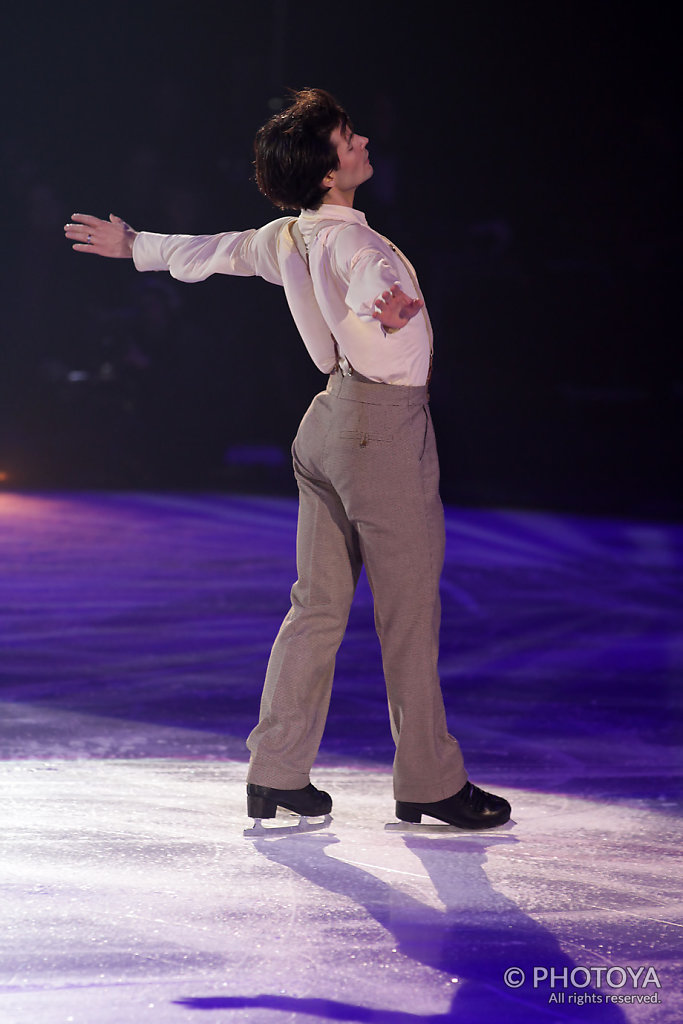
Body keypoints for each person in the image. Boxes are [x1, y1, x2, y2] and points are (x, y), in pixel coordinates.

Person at [64, 88, 511, 830]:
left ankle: (275, 771)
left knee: (316, 606)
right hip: (381, 430)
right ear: (327, 172)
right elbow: (374, 285)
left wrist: (136, 245)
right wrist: (384, 306)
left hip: (327, 425)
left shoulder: (289, 237)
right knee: (407, 614)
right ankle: (428, 781)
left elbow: (213, 251)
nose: (360, 140)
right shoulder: (356, 245)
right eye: (345, 138)